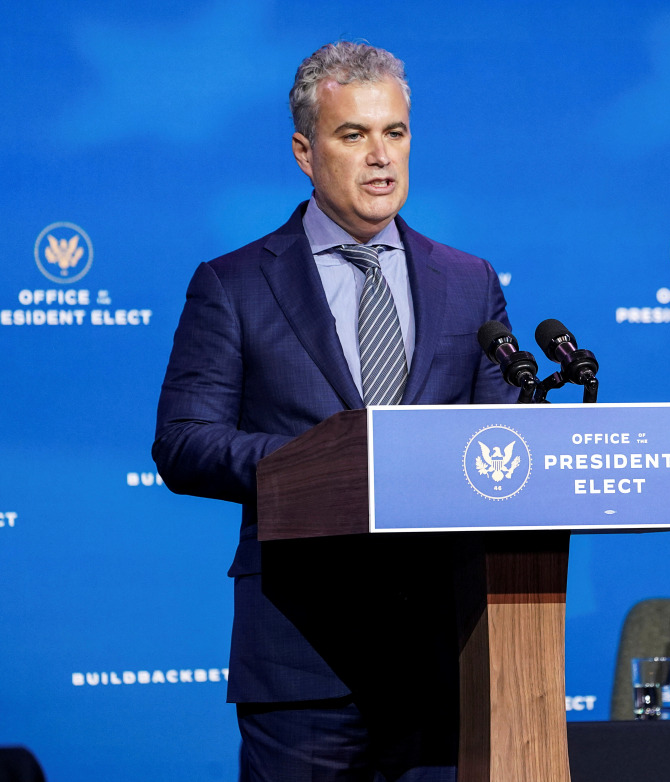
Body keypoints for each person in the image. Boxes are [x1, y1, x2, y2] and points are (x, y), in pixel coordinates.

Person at [152, 41, 517, 781]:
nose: (380, 157)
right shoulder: (234, 285)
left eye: (395, 133)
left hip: (445, 654)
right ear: (305, 151)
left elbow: (502, 442)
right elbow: (185, 442)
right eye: (354, 135)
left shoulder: (469, 281)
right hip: (301, 657)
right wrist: (328, 462)